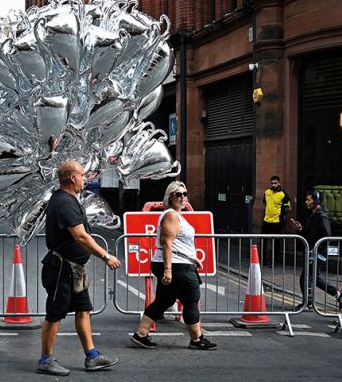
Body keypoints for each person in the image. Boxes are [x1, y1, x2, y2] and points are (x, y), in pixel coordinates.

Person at [37, 161, 121, 376]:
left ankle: (92, 356)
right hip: (62, 269)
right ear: (72, 178)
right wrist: (105, 255)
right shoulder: (64, 201)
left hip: (75, 270)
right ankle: (45, 360)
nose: (86, 178)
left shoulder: (70, 199)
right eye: (83, 175)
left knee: (84, 310)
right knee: (54, 314)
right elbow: (81, 236)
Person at [130, 181, 217, 351]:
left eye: (185, 194)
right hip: (175, 266)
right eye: (178, 194)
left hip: (178, 262)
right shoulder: (171, 215)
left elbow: (177, 244)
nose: (183, 197)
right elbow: (167, 243)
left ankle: (140, 335)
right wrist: (168, 270)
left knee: (164, 300)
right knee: (191, 299)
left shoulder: (176, 214)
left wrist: (192, 258)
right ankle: (197, 339)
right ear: (169, 197)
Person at [290, 190, 342, 311]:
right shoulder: (312, 215)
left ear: (316, 201)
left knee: (306, 277)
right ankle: (337, 293)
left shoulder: (322, 217)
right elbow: (310, 233)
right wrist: (299, 229)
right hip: (313, 251)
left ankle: (307, 303)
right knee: (313, 278)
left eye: (308, 200)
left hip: (318, 252)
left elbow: (327, 235)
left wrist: (318, 247)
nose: (306, 202)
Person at [261, 176, 291, 265]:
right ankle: (263, 260)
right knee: (264, 241)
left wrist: (282, 214)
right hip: (266, 221)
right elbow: (265, 204)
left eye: (275, 183)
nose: (273, 185)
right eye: (272, 183)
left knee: (275, 243)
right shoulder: (267, 192)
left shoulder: (283, 194)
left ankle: (273, 261)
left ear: (279, 183)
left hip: (277, 222)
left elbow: (289, 208)